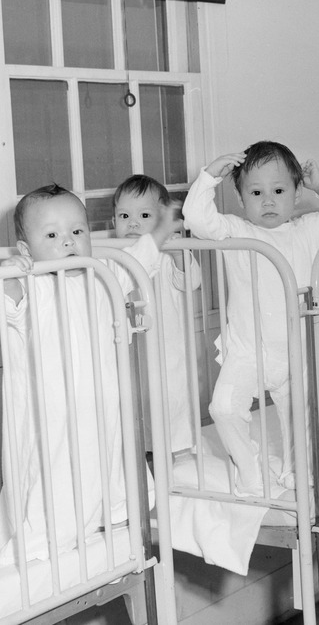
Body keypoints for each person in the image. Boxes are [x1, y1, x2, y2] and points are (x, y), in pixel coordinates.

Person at [0, 184, 180, 563]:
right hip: (52, 416)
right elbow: (6, 299)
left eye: (78, 231)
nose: (69, 242)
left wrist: (162, 229)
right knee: (53, 471)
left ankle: (109, 515)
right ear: (27, 251)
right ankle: (47, 536)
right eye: (52, 235)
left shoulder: (102, 276)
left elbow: (138, 259)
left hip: (99, 408)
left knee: (106, 460)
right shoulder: (33, 286)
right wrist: (10, 273)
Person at [182, 141, 319, 495]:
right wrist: (208, 177)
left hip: (294, 352)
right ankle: (250, 468)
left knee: (300, 417)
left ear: (296, 194)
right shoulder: (235, 230)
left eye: (279, 190)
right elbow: (196, 220)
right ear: (240, 198)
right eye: (256, 192)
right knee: (222, 408)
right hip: (247, 352)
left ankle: (300, 468)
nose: (268, 200)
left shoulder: (307, 230)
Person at [113, 174, 202, 454]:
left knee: (170, 404)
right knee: (134, 408)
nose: (133, 223)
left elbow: (190, 282)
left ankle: (178, 456)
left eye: (145, 215)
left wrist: (177, 254)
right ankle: (144, 460)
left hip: (166, 349)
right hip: (130, 351)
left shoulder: (166, 254)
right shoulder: (113, 257)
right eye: (124, 215)